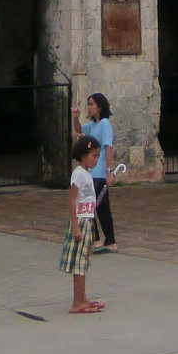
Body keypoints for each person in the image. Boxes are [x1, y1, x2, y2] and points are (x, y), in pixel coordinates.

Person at [61, 135, 104, 314]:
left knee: (83, 262)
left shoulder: (85, 173)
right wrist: (76, 227)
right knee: (79, 264)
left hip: (88, 220)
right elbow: (71, 201)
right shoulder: (78, 174)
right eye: (94, 156)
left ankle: (83, 297)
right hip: (81, 221)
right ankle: (76, 302)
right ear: (84, 155)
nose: (96, 160)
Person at [81, 92, 117, 251]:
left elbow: (108, 148)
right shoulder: (93, 126)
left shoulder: (105, 124)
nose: (89, 108)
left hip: (100, 173)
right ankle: (109, 242)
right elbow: (79, 129)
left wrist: (110, 171)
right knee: (100, 208)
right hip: (92, 174)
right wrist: (75, 117)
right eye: (88, 104)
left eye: (91, 104)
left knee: (92, 206)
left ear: (99, 107)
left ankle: (98, 241)